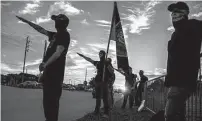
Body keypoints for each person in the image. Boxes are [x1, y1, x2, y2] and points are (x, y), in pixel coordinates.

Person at [16, 14, 70, 121]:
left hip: (56, 74)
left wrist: (45, 64)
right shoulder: (55, 35)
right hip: (48, 73)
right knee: (46, 102)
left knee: (52, 103)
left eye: (56, 21)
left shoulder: (64, 34)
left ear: (61, 23)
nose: (54, 23)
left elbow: (58, 52)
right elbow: (41, 29)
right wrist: (28, 22)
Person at [164, 2, 202, 121]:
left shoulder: (194, 25)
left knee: (170, 115)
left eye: (177, 11)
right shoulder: (175, 34)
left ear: (185, 13)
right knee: (178, 115)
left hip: (183, 81)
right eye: (172, 13)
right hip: (174, 81)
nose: (173, 15)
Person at [77, 51, 114, 118]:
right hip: (98, 82)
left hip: (104, 82)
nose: (100, 55)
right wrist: (83, 56)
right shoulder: (98, 63)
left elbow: (112, 72)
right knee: (98, 97)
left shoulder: (107, 63)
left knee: (105, 98)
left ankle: (106, 113)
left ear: (104, 54)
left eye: (101, 53)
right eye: (99, 53)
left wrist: (107, 64)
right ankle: (96, 111)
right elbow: (90, 60)